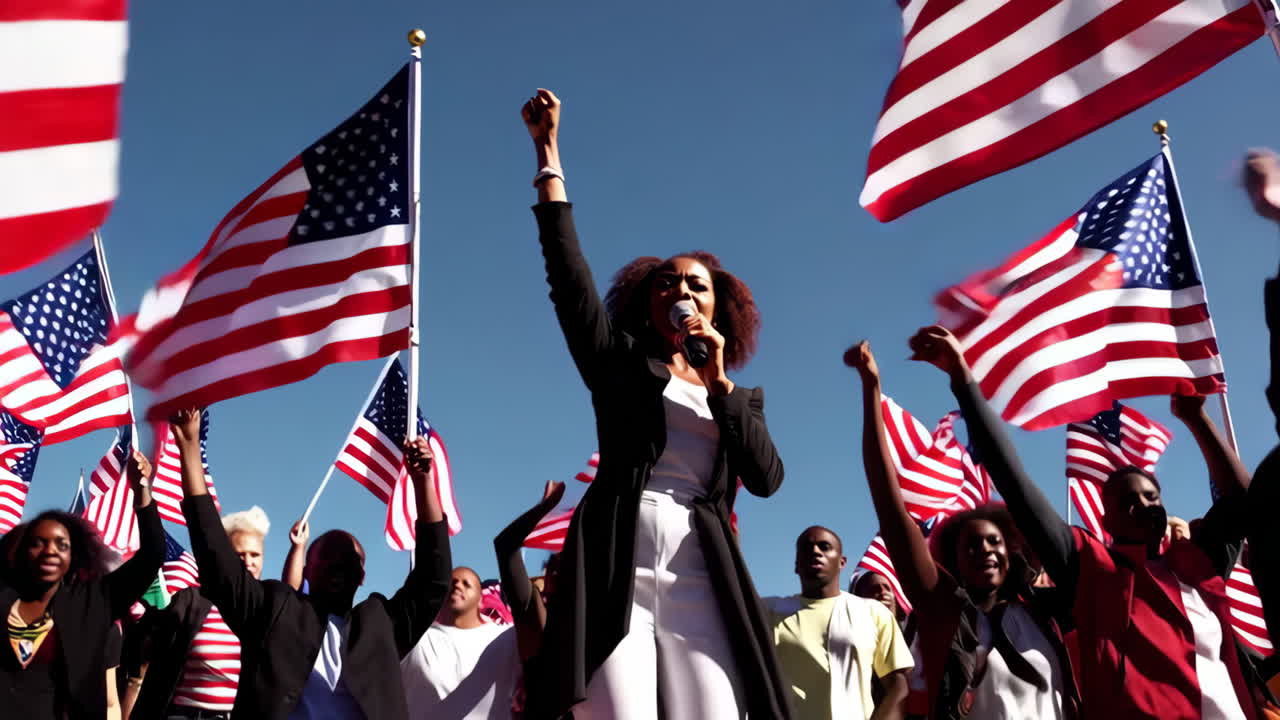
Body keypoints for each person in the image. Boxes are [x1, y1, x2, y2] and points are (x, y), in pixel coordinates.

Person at [522, 88, 790, 719]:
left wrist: (719, 384)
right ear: (647, 303)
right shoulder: (617, 364)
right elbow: (569, 281)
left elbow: (766, 479)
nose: (681, 291)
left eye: (696, 284)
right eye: (666, 282)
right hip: (619, 561)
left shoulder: (738, 396)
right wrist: (548, 154)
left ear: (718, 308)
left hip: (701, 570)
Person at [906, 324, 1261, 719]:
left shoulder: (1197, 564)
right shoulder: (1092, 570)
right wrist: (963, 380)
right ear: (1107, 519)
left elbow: (1244, 504)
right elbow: (1014, 483)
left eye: (1151, 497)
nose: (1142, 505)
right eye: (1126, 501)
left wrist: (1197, 419)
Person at [847, 339, 1077, 720]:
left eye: (994, 541)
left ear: (1010, 552)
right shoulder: (942, 609)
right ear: (953, 558)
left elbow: (1017, 483)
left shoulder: (1046, 612)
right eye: (971, 544)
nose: (985, 549)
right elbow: (890, 508)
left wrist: (963, 380)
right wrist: (871, 390)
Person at [172, 408, 451, 720]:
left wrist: (422, 482)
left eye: (349, 560)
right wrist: (189, 448)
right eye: (328, 556)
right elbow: (216, 561)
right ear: (307, 569)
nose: (338, 565)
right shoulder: (274, 608)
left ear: (362, 575)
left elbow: (433, 579)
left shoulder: (381, 623)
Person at [0, 450, 163, 720]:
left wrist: (141, 491)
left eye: (62, 544)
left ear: (74, 556)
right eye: (38, 543)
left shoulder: (91, 606)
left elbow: (152, 556)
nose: (50, 551)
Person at [129, 505, 273, 719]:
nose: (248, 562)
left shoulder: (269, 609)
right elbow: (144, 657)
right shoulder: (191, 601)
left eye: (255, 554)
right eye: (240, 554)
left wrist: (298, 549)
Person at [764, 526, 913, 720]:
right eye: (806, 548)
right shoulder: (768, 611)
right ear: (796, 565)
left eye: (824, 547)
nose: (815, 551)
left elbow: (898, 686)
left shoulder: (873, 612)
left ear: (842, 562)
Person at [400, 566, 521, 719]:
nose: (457, 585)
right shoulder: (416, 638)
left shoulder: (507, 637)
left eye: (466, 584)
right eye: (452, 582)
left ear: (480, 598)